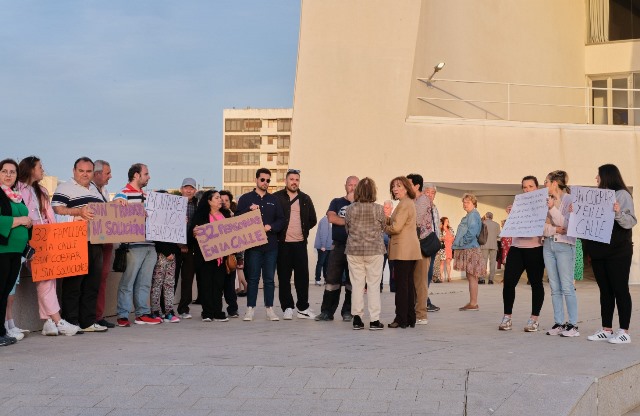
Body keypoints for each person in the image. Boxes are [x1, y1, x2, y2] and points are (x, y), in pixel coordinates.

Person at [17, 156, 79, 336]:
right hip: (29, 240)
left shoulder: (41, 191)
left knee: (48, 278)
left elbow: (50, 216)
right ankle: (59, 321)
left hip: (46, 240)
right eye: (40, 167)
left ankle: (49, 321)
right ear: (30, 169)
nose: (43, 170)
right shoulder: (18, 189)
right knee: (44, 280)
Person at [52, 157, 107, 333]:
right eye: (81, 171)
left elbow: (105, 212)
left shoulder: (95, 190)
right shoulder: (64, 188)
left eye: (88, 171)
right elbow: (56, 211)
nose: (85, 174)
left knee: (92, 283)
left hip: (96, 241)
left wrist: (116, 205)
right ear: (74, 171)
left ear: (93, 172)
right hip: (74, 241)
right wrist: (79, 212)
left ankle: (88, 321)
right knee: (73, 284)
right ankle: (71, 321)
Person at [584, 164, 637, 344]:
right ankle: (606, 329)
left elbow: (630, 221)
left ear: (607, 176)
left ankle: (624, 331)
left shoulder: (622, 194)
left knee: (620, 289)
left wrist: (617, 211)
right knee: (605, 291)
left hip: (618, 251)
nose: (596, 178)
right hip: (599, 251)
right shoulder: (597, 197)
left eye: (598, 175)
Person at [113, 163, 162, 327]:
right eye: (146, 174)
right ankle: (123, 315)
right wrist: (118, 206)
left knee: (145, 282)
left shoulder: (149, 196)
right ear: (136, 175)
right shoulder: (122, 195)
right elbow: (114, 216)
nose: (149, 177)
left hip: (150, 244)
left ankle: (142, 313)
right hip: (133, 245)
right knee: (128, 281)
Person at [236, 168, 285, 321]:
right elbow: (236, 218)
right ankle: (250, 309)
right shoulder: (245, 198)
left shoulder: (274, 199)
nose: (265, 182)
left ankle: (270, 309)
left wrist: (271, 227)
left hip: (271, 246)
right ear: (256, 180)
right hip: (253, 246)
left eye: (268, 180)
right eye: (262, 179)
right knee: (253, 279)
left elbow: (281, 220)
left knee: (269, 279)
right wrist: (248, 210)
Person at [498, 176, 545, 332]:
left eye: (531, 186)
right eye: (524, 187)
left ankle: (534, 319)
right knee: (509, 282)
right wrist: (511, 215)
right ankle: (507, 317)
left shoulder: (543, 204)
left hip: (535, 248)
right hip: (517, 247)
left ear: (537, 188)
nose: (527, 190)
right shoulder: (518, 204)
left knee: (536, 283)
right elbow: (511, 227)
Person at [274, 169, 317, 320]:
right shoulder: (276, 197)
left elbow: (313, 219)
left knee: (302, 277)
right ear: (286, 181)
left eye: (297, 180)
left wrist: (302, 231)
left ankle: (303, 308)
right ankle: (287, 307)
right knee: (284, 277)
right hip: (283, 244)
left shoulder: (305, 198)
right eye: (291, 179)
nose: (294, 182)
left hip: (300, 243)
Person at [315, 175, 359, 322]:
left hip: (355, 247)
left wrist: (345, 219)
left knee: (352, 281)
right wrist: (351, 221)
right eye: (350, 184)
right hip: (338, 246)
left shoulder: (362, 204)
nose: (352, 187)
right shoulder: (336, 201)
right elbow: (331, 218)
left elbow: (362, 222)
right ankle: (327, 312)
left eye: (355, 185)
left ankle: (348, 311)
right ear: (345, 186)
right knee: (332, 280)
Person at [345, 177, 385, 330]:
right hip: (374, 250)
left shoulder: (350, 208)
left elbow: (347, 229)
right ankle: (374, 320)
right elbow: (383, 227)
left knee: (357, 285)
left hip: (354, 250)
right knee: (374, 285)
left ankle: (357, 318)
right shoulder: (379, 209)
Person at [0, 159, 32, 347]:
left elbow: (25, 220)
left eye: (12, 172)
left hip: (16, 251)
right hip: (2, 250)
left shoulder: (16, 196)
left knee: (4, 293)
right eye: (4, 171)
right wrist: (21, 220)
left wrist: (28, 222)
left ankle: (1, 331)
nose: (9, 175)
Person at [542, 170, 578, 337]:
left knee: (567, 286)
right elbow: (542, 228)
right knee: (554, 287)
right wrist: (554, 229)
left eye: (546, 182)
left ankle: (573, 325)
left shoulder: (571, 199)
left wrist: (553, 211)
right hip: (548, 245)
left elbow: (569, 226)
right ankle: (559, 322)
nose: (544, 185)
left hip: (565, 246)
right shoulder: (545, 201)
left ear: (555, 183)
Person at [189, 190, 232, 322]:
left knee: (218, 285)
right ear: (209, 201)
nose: (220, 200)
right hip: (205, 258)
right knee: (206, 284)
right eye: (217, 198)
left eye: (220, 198)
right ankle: (207, 312)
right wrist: (194, 233)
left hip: (221, 258)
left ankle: (218, 311)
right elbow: (191, 235)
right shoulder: (200, 216)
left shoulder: (226, 215)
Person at [384, 176, 421, 328]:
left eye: (398, 186)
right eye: (393, 186)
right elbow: (397, 222)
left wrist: (384, 227)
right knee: (408, 284)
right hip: (409, 250)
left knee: (401, 286)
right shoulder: (407, 203)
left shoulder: (404, 204)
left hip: (402, 250)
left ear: (406, 188)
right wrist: (385, 218)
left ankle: (401, 319)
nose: (395, 189)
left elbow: (396, 227)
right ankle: (409, 318)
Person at [406, 174, 434, 326]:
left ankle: (421, 314)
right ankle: (414, 311)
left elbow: (415, 220)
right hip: (412, 245)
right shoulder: (411, 200)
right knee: (413, 280)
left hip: (422, 245)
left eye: (408, 184)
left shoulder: (423, 200)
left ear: (417, 186)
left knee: (420, 281)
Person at [149, 190, 181, 323]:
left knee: (169, 284)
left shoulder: (173, 216)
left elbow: (177, 236)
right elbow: (157, 238)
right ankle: (155, 310)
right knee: (157, 283)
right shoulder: (154, 217)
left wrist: (181, 222)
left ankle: (169, 310)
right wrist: (166, 253)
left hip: (172, 255)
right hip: (161, 255)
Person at [92, 159, 115, 329]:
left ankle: (98, 315)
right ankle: (91, 315)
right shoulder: (89, 191)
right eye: (108, 173)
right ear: (98, 173)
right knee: (93, 278)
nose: (110, 176)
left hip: (105, 243)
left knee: (103, 278)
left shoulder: (104, 192)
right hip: (94, 243)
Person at [452, 193, 485, 311]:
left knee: (472, 276)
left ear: (474, 203)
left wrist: (461, 243)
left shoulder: (473, 215)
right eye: (464, 202)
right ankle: (472, 302)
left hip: (470, 248)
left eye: (468, 202)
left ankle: (473, 303)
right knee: (471, 276)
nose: (465, 204)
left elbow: (472, 232)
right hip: (469, 248)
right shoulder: (470, 215)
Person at [176, 178, 199, 319]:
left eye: (191, 188)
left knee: (188, 279)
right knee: (170, 280)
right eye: (186, 188)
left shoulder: (198, 205)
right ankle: (166, 309)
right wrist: (179, 245)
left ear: (195, 191)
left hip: (191, 247)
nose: (188, 190)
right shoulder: (173, 203)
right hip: (175, 247)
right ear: (181, 189)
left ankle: (183, 308)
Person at [219, 189, 241, 318]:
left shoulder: (234, 216)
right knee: (218, 284)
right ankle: (217, 309)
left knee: (230, 284)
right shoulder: (213, 216)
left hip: (230, 255)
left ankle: (233, 309)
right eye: (221, 200)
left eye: (226, 200)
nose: (224, 203)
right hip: (217, 256)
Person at [423, 183, 441, 312]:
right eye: (428, 192)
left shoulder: (434, 207)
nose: (430, 195)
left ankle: (425, 299)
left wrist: (438, 243)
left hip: (433, 244)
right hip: (424, 244)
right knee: (423, 274)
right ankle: (423, 301)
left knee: (428, 274)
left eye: (433, 193)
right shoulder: (420, 206)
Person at [479, 212, 501, 284]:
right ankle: (491, 279)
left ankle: (482, 279)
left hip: (484, 245)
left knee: (483, 262)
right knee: (493, 263)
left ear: (486, 216)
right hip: (494, 245)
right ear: (492, 217)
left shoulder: (482, 223)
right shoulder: (497, 225)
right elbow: (499, 236)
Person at [314, 215, 332, 286]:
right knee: (320, 263)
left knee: (326, 264)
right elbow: (323, 234)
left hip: (327, 247)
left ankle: (326, 280)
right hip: (324, 247)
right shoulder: (325, 221)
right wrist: (323, 245)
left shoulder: (327, 221)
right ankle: (317, 280)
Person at [439, 217, 454, 282]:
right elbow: (438, 238)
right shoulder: (440, 229)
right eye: (446, 221)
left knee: (448, 262)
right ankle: (441, 277)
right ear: (443, 222)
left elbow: (453, 236)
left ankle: (449, 277)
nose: (447, 222)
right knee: (442, 262)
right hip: (443, 248)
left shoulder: (450, 229)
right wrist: (442, 238)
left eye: (448, 221)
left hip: (449, 247)